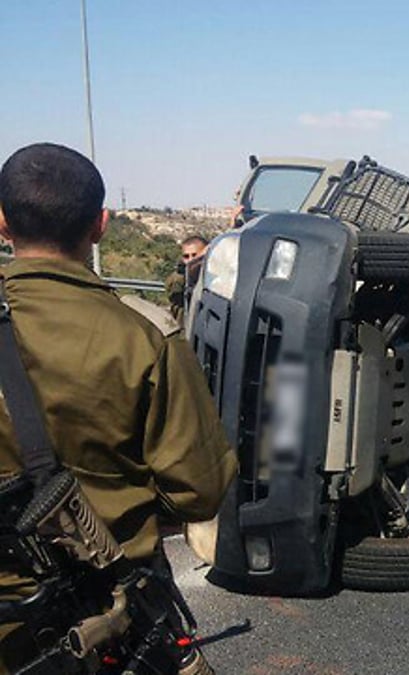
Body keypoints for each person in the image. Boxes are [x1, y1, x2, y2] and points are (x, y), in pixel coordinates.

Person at [0, 143, 236, 672]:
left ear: (2, 223)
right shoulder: (144, 335)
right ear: (100, 226)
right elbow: (201, 489)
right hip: (108, 619)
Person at [165, 235, 208, 322]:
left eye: (194, 255)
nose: (190, 260)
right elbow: (175, 289)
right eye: (186, 256)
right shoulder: (178, 277)